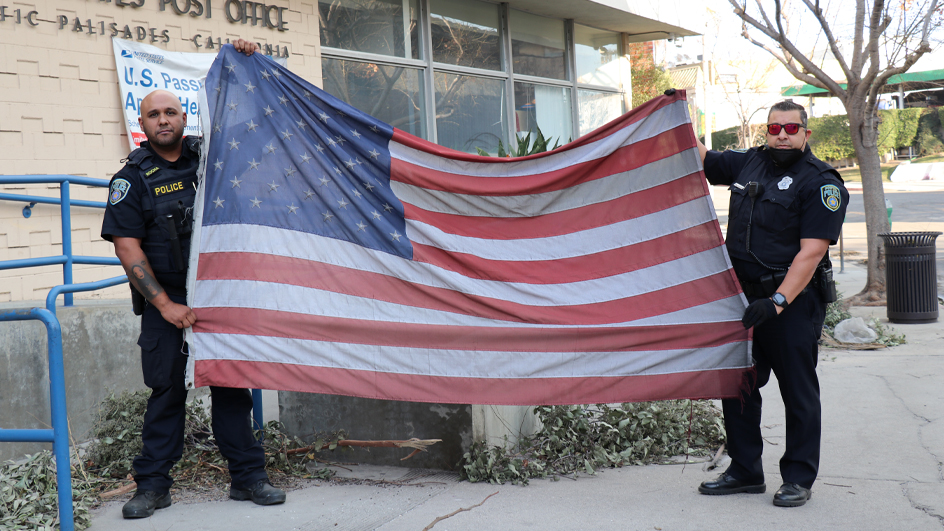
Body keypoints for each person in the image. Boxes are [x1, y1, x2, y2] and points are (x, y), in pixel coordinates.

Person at [101, 39, 286, 519]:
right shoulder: (130, 179)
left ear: (184, 119)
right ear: (141, 125)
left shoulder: (211, 160)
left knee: (231, 388)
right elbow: (127, 247)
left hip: (218, 291)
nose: (163, 119)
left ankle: (249, 478)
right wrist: (166, 306)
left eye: (171, 112)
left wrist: (245, 61)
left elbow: (254, 133)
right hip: (168, 299)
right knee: (166, 393)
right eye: (153, 114)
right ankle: (154, 486)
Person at [692, 99, 848, 507]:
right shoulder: (749, 163)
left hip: (790, 302)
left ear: (805, 133)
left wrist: (776, 301)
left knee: (798, 391)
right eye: (775, 128)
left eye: (791, 129)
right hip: (742, 298)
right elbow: (700, 157)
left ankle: (797, 477)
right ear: (767, 130)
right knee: (738, 384)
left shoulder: (821, 182)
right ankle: (745, 470)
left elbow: (811, 253)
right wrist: (674, 116)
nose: (782, 135)